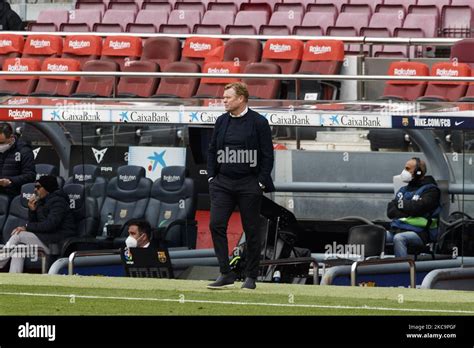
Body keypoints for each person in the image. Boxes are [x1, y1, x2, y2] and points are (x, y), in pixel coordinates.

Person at [207, 82, 275, 290]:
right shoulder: (221, 121)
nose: (224, 100)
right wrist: (212, 177)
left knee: (251, 230)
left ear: (241, 99)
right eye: (224, 97)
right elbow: (212, 150)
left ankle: (251, 276)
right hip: (223, 183)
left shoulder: (259, 122)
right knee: (216, 225)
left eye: (228, 97)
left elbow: (267, 155)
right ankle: (225, 272)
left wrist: (261, 182)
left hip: (249, 184)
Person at [0, 175, 75, 273]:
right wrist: (32, 211)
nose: (35, 190)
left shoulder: (58, 202)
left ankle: (0, 261)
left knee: (18, 235)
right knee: (19, 250)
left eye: (38, 187)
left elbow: (50, 225)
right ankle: (13, 279)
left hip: (58, 242)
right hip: (47, 239)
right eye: (35, 187)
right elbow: (37, 225)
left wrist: (27, 227)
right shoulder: (41, 201)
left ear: (47, 188)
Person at [386, 157, 441, 257]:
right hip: (398, 229)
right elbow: (390, 211)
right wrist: (409, 207)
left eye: (408, 169)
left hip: (420, 233)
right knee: (379, 235)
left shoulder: (431, 191)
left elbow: (418, 208)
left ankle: (403, 269)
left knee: (399, 238)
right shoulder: (403, 189)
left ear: (419, 172)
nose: (404, 171)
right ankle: (372, 267)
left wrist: (401, 205)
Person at [0, 122, 36, 200]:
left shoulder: (24, 150)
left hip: (14, 194)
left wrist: (10, 181)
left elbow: (30, 175)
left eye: (2, 142)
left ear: (11, 137)